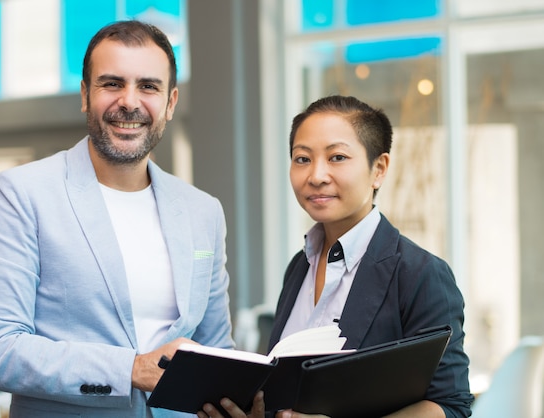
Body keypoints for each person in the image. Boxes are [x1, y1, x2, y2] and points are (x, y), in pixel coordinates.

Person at [0, 20, 234, 417]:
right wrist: (131, 370)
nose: (129, 101)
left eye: (148, 86)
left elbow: (214, 349)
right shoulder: (22, 193)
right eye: (111, 83)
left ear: (171, 102)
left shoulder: (203, 211)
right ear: (85, 95)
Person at [200, 95, 473, 418]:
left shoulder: (420, 273)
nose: (316, 175)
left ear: (379, 169)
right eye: (302, 159)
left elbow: (450, 406)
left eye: (337, 157)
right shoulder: (300, 266)